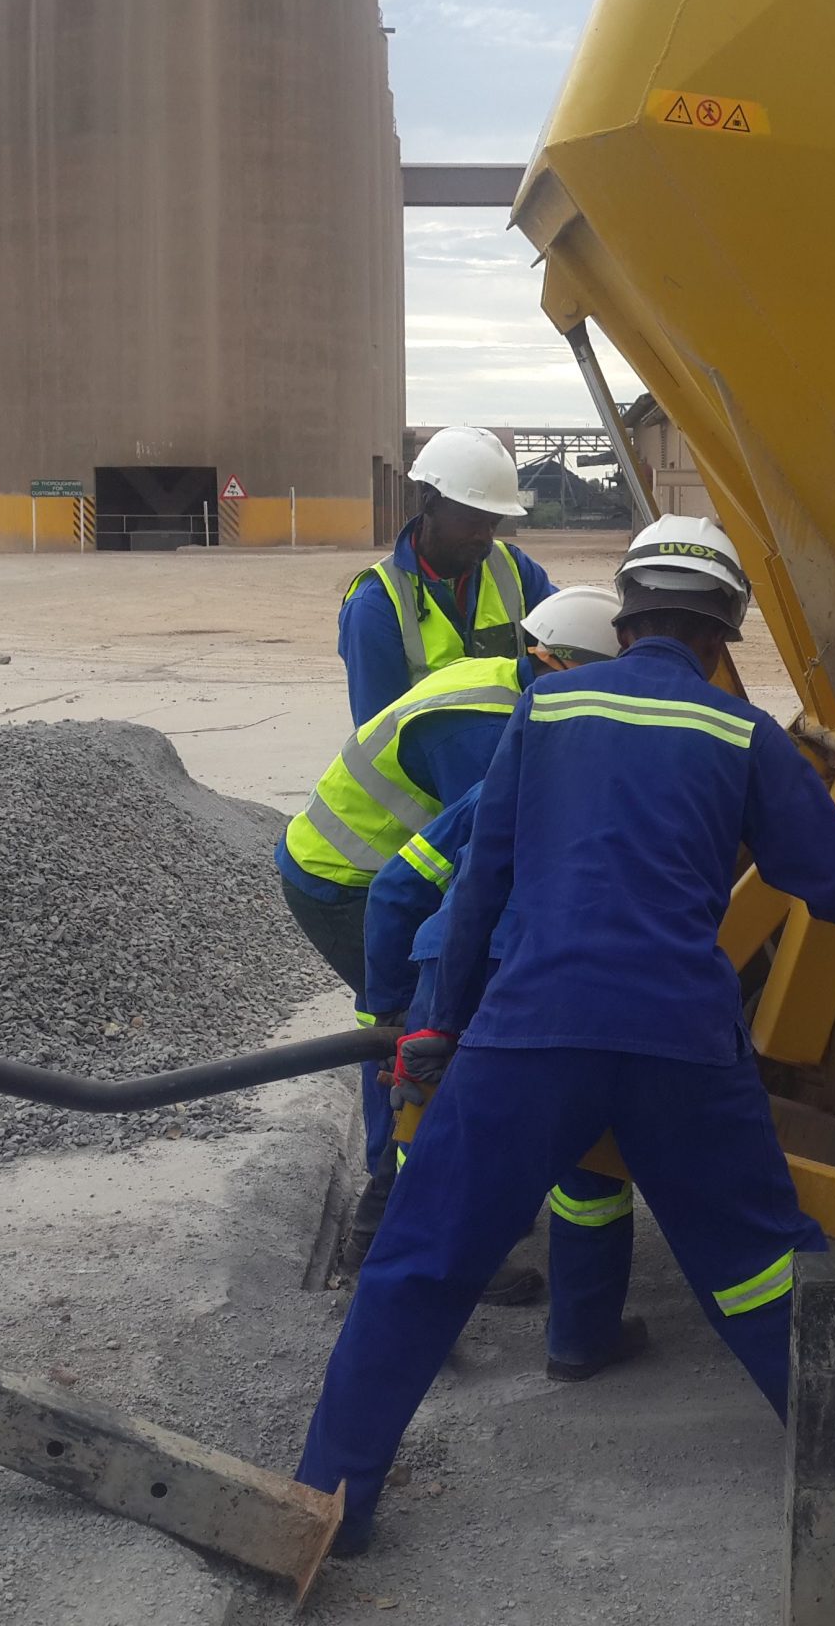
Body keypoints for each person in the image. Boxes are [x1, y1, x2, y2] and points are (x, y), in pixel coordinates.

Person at [296, 516, 835, 1553]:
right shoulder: (742, 735)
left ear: (625, 622)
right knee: (763, 1267)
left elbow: (482, 885)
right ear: (721, 636)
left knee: (421, 1260)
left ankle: (330, 1505)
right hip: (680, 1040)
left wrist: (439, 1027)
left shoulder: (544, 708)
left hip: (531, 1031)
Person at [278, 587, 622, 1278]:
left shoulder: (511, 687)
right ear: (556, 663)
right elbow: (476, 876)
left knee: (421, 1043)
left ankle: (404, 1224)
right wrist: (405, 1007)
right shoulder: (484, 735)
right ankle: (401, 1236)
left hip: (386, 879)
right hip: (352, 884)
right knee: (417, 1045)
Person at [363, 588, 642, 1379]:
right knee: (587, 1161)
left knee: (434, 1154)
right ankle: (580, 1342)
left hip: (453, 974)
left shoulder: (508, 774)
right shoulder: (640, 783)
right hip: (551, 982)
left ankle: (411, 1339)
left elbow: (397, 888)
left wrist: (393, 1006)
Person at [339, 426, 554, 726]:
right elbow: (379, 734)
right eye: (472, 521)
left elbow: (565, 644)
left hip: (515, 751)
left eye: (493, 523)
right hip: (430, 758)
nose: (485, 537)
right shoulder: (375, 606)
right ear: (428, 501)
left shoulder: (515, 569)